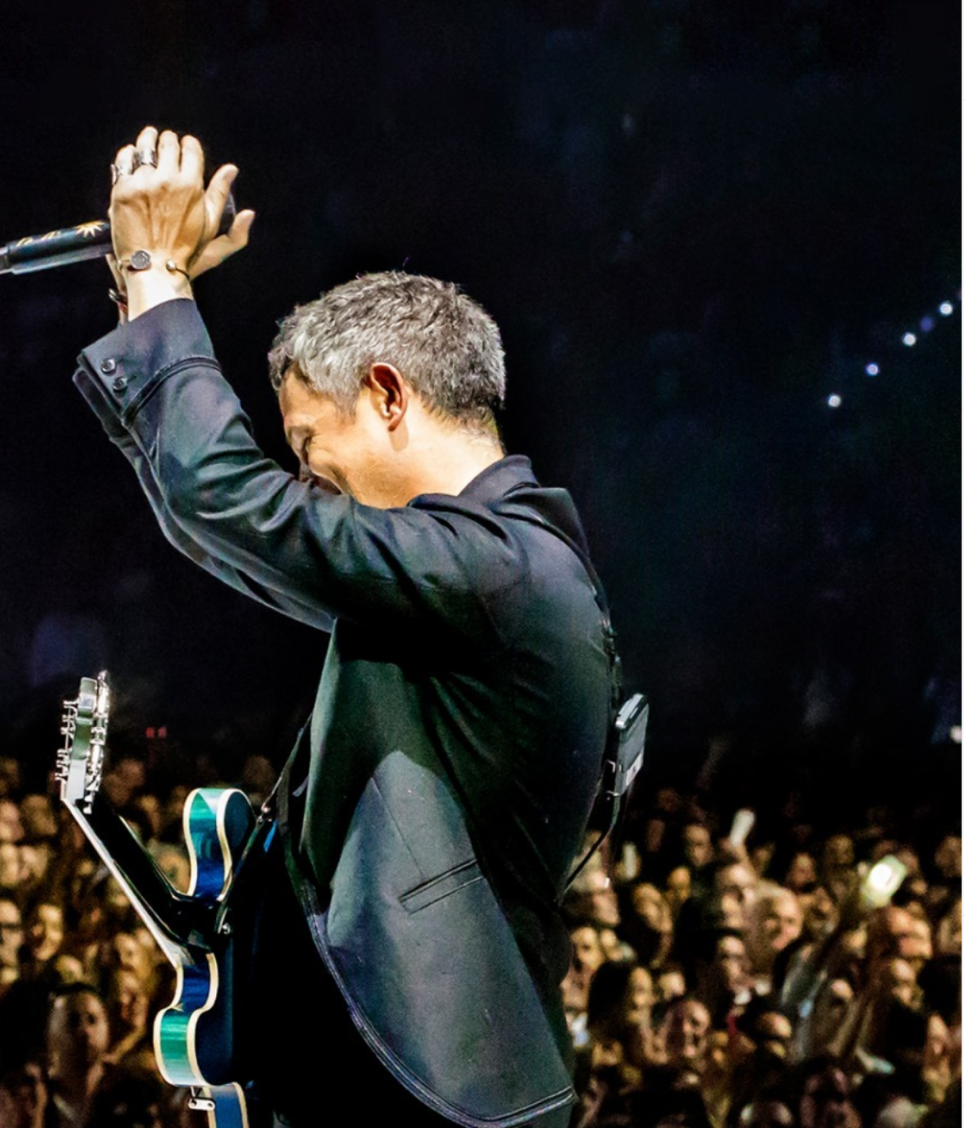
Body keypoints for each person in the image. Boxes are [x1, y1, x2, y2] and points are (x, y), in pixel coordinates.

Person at [70, 125, 616, 1127]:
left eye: (311, 444)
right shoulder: (465, 583)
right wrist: (141, 298)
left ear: (389, 396)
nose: (310, 480)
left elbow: (231, 502)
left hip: (422, 1099)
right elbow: (228, 531)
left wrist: (159, 275)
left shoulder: (500, 570)